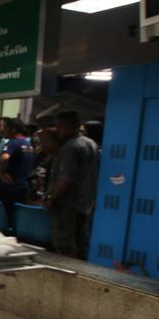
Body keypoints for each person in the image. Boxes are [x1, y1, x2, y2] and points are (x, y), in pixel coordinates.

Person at [45, 111, 99, 259]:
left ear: (73, 127)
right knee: (81, 242)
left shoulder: (70, 147)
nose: (58, 130)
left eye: (61, 126)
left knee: (65, 244)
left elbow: (66, 178)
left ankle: (67, 277)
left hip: (68, 203)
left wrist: (52, 197)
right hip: (86, 202)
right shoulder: (91, 143)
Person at [0, 117, 35, 225]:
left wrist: (2, 172)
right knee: (16, 220)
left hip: (8, 189)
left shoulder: (12, 143)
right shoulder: (28, 144)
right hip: (22, 188)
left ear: (14, 130)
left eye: (6, 128)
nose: (3, 130)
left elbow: (5, 157)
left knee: (2, 220)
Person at [32, 128, 61, 203]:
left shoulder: (58, 160)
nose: (43, 145)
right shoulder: (43, 157)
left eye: (46, 141)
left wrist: (49, 198)